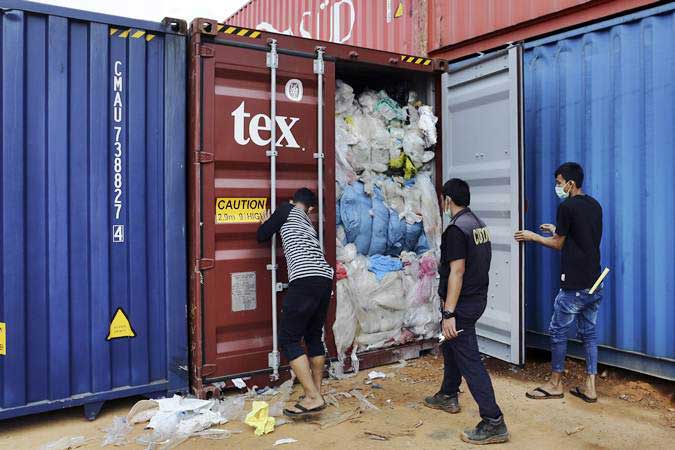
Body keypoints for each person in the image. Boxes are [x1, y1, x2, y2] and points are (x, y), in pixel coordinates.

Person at [424, 178, 510, 445]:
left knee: (469, 359)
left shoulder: (456, 230)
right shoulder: (478, 225)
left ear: (448, 199)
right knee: (451, 346)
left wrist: (449, 313)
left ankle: (494, 421)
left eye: (442, 199)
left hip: (461, 304)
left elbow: (457, 272)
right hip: (476, 298)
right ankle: (448, 394)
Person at [515, 162, 603, 403]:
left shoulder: (567, 206)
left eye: (558, 183)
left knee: (558, 331)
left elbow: (558, 244)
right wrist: (557, 229)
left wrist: (533, 236)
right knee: (589, 333)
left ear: (570, 184)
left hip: (575, 284)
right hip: (595, 281)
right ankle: (590, 387)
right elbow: (583, 237)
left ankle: (555, 383)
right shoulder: (594, 205)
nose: (557, 187)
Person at [256, 188, 334, 418]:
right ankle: (317, 393)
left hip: (305, 279)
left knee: (289, 338)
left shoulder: (286, 210)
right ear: (311, 209)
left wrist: (266, 222)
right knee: (313, 336)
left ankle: (312, 396)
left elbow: (262, 235)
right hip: (324, 279)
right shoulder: (309, 225)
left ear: (293, 201)